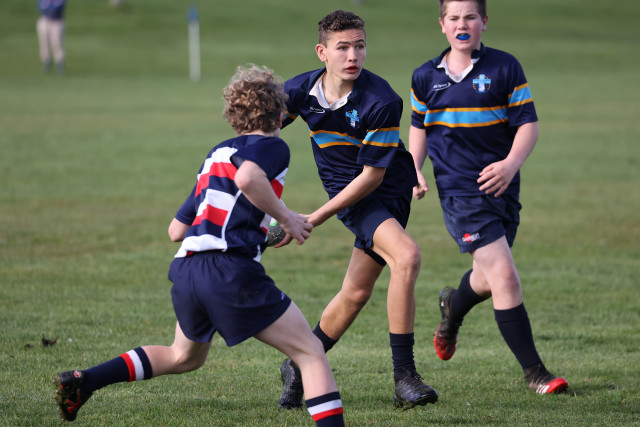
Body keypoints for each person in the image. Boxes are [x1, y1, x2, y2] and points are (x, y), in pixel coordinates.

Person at [53, 64, 345, 426]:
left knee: (184, 356)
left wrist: (258, 228)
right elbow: (248, 177)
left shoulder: (216, 154)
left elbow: (176, 229)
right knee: (311, 352)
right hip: (228, 269)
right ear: (279, 112)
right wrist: (285, 218)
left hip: (188, 268)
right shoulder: (273, 146)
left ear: (235, 115)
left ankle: (86, 381)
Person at [275, 10, 438, 410]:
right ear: (322, 52)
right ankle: (404, 377)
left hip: (384, 189)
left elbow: (371, 178)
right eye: (342, 47)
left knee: (356, 291)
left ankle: (299, 364)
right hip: (351, 195)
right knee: (406, 256)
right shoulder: (300, 91)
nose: (353, 56)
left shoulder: (381, 100)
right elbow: (263, 133)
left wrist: (311, 218)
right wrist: (257, 195)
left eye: (359, 46)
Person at [408, 0, 568, 394]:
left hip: (503, 189)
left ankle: (452, 307)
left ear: (484, 22)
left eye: (470, 17)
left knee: (485, 278)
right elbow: (419, 127)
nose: (462, 24)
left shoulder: (504, 66)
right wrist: (414, 169)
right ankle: (536, 374)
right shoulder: (425, 77)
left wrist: (511, 164)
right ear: (442, 24)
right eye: (454, 18)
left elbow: (527, 125)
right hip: (460, 193)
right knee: (504, 276)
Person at [36, 0, 66, 75]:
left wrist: (49, 5)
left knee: (57, 43)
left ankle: (59, 64)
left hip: (56, 21)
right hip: (45, 19)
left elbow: (57, 8)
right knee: (44, 42)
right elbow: (40, 7)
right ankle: (46, 61)